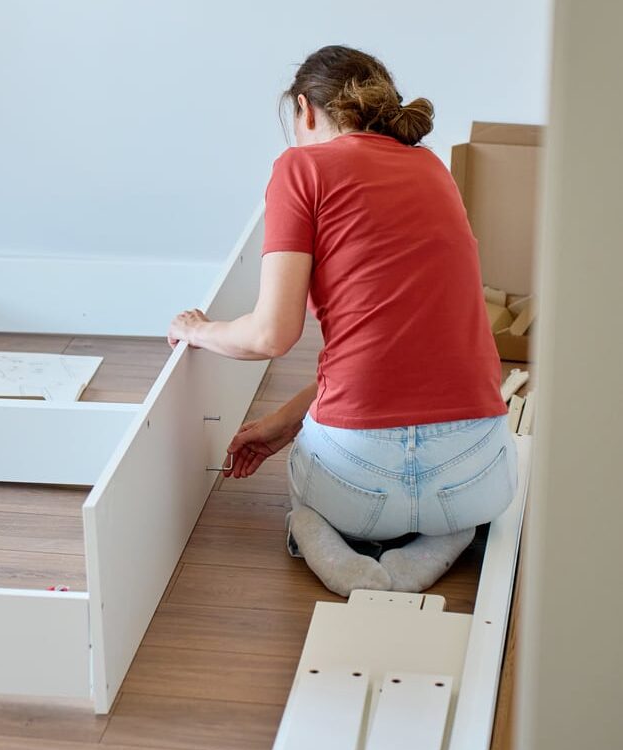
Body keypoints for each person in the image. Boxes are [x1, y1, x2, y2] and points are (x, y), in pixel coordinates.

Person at [167, 45, 517, 596]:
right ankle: (439, 543)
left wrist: (198, 329)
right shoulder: (432, 168)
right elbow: (402, 350)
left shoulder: (300, 167)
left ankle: (345, 564)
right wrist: (287, 421)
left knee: (310, 502)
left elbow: (270, 335)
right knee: (458, 509)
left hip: (360, 484)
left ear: (306, 111)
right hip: (472, 473)